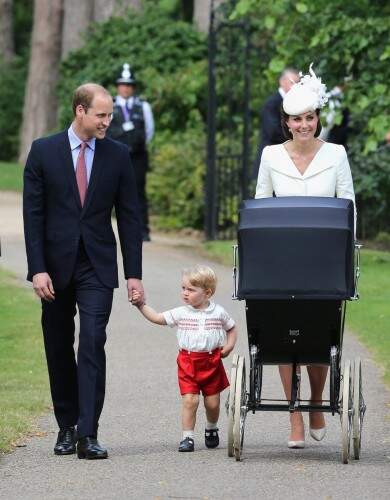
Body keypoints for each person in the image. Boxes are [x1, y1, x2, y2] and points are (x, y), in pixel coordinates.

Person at [23, 83, 144, 460]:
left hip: (97, 264)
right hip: (54, 269)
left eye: (109, 115)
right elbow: (33, 217)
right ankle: (66, 426)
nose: (108, 121)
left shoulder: (118, 156)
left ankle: (87, 433)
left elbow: (128, 216)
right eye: (102, 115)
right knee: (59, 346)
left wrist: (133, 273)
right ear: (80, 111)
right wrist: (37, 270)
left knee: (92, 341)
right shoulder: (43, 152)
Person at [255, 63, 356, 449]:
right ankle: (294, 413)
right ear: (287, 121)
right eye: (296, 119)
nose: (303, 125)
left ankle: (316, 400)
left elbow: (347, 206)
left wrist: (347, 254)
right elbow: (261, 205)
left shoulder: (336, 153)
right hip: (280, 261)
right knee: (282, 337)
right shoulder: (270, 156)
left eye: (309, 118)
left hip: (324, 260)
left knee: (318, 337)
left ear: (317, 118)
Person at [131, 265, 237, 453]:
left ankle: (211, 428)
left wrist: (228, 347)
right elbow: (156, 317)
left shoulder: (218, 312)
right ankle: (187, 437)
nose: (185, 293)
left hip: (212, 362)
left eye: (191, 290)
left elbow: (231, 328)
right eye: (183, 288)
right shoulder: (181, 313)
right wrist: (141, 304)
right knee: (190, 401)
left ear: (207, 293)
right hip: (188, 363)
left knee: (212, 403)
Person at [107, 63, 154, 242]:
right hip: (114, 157)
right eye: (122, 84)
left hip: (137, 157)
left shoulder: (143, 106)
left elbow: (149, 131)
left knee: (138, 193)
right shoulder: (110, 105)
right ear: (118, 86)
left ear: (133, 87)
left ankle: (143, 231)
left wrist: (136, 145)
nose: (125, 88)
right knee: (109, 193)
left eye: (129, 85)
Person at [253, 67, 300, 178]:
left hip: (287, 160)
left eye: (298, 83)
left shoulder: (295, 103)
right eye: (293, 82)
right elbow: (273, 132)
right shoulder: (272, 103)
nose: (296, 86)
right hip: (272, 160)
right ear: (282, 82)